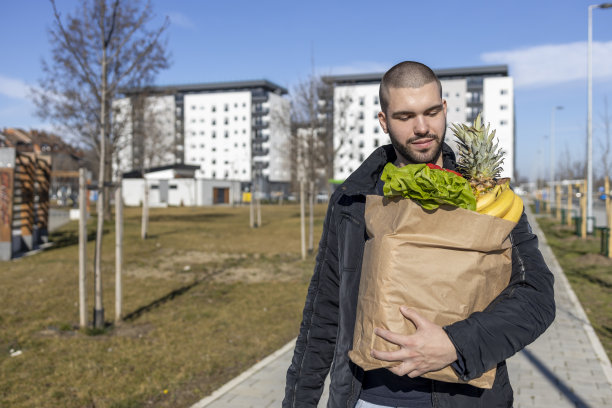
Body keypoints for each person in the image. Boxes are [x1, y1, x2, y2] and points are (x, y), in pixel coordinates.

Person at [283, 61, 555, 408]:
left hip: (465, 396)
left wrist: (455, 344)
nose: (422, 127)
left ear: (444, 109)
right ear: (384, 121)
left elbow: (537, 298)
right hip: (366, 399)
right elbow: (324, 312)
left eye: (430, 112)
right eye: (405, 116)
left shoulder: (486, 197)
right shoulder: (352, 199)